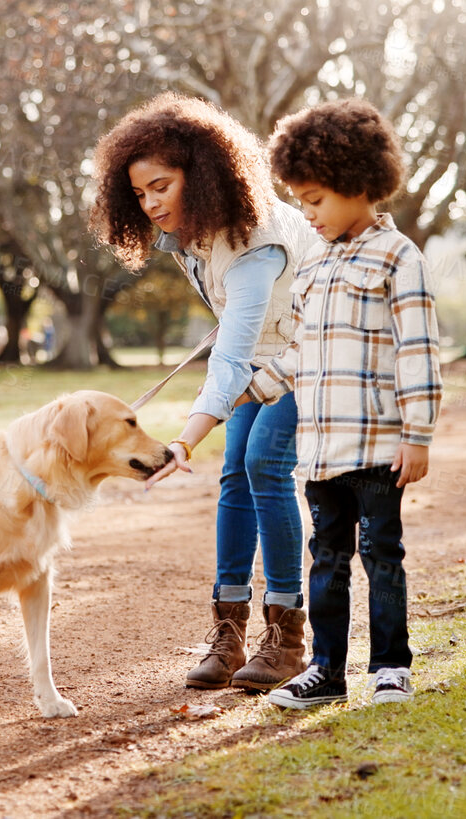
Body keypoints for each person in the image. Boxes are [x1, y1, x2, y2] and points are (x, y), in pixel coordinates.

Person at [89, 92, 320, 692]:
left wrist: (184, 442)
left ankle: (289, 638)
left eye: (161, 186)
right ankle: (230, 631)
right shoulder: (193, 236)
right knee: (235, 476)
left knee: (264, 461)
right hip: (267, 361)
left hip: (316, 357)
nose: (150, 203)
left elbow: (235, 352)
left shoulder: (253, 239)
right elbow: (240, 333)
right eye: (140, 193)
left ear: (204, 172)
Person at [235, 98, 443, 709]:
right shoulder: (313, 265)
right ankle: (326, 669)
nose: (308, 213)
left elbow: (419, 351)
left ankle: (390, 667)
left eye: (317, 199)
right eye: (300, 200)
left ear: (358, 184)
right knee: (325, 561)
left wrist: (419, 434)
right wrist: (254, 386)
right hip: (321, 451)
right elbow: (301, 352)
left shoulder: (399, 258)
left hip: (379, 446)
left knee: (382, 556)